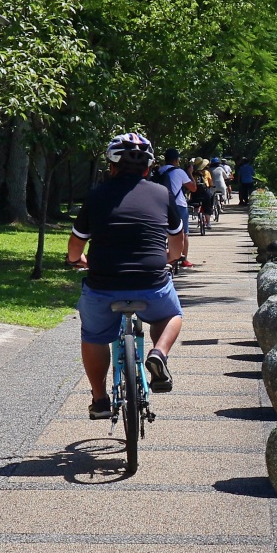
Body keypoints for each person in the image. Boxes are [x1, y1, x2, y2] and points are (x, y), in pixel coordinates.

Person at [68, 133, 185, 420]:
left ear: (112, 167)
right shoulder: (161, 194)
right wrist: (170, 259)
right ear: (148, 168)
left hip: (102, 284)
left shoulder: (96, 196)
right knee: (170, 315)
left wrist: (76, 260)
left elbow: (76, 245)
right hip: (151, 282)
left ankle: (99, 399)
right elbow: (178, 242)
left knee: (94, 335)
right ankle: (158, 354)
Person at [155, 148, 197, 267]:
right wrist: (190, 172)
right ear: (176, 160)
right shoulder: (179, 172)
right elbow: (193, 188)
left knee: (162, 232)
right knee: (184, 233)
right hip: (178, 205)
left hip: (161, 204)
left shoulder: (159, 171)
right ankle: (184, 259)